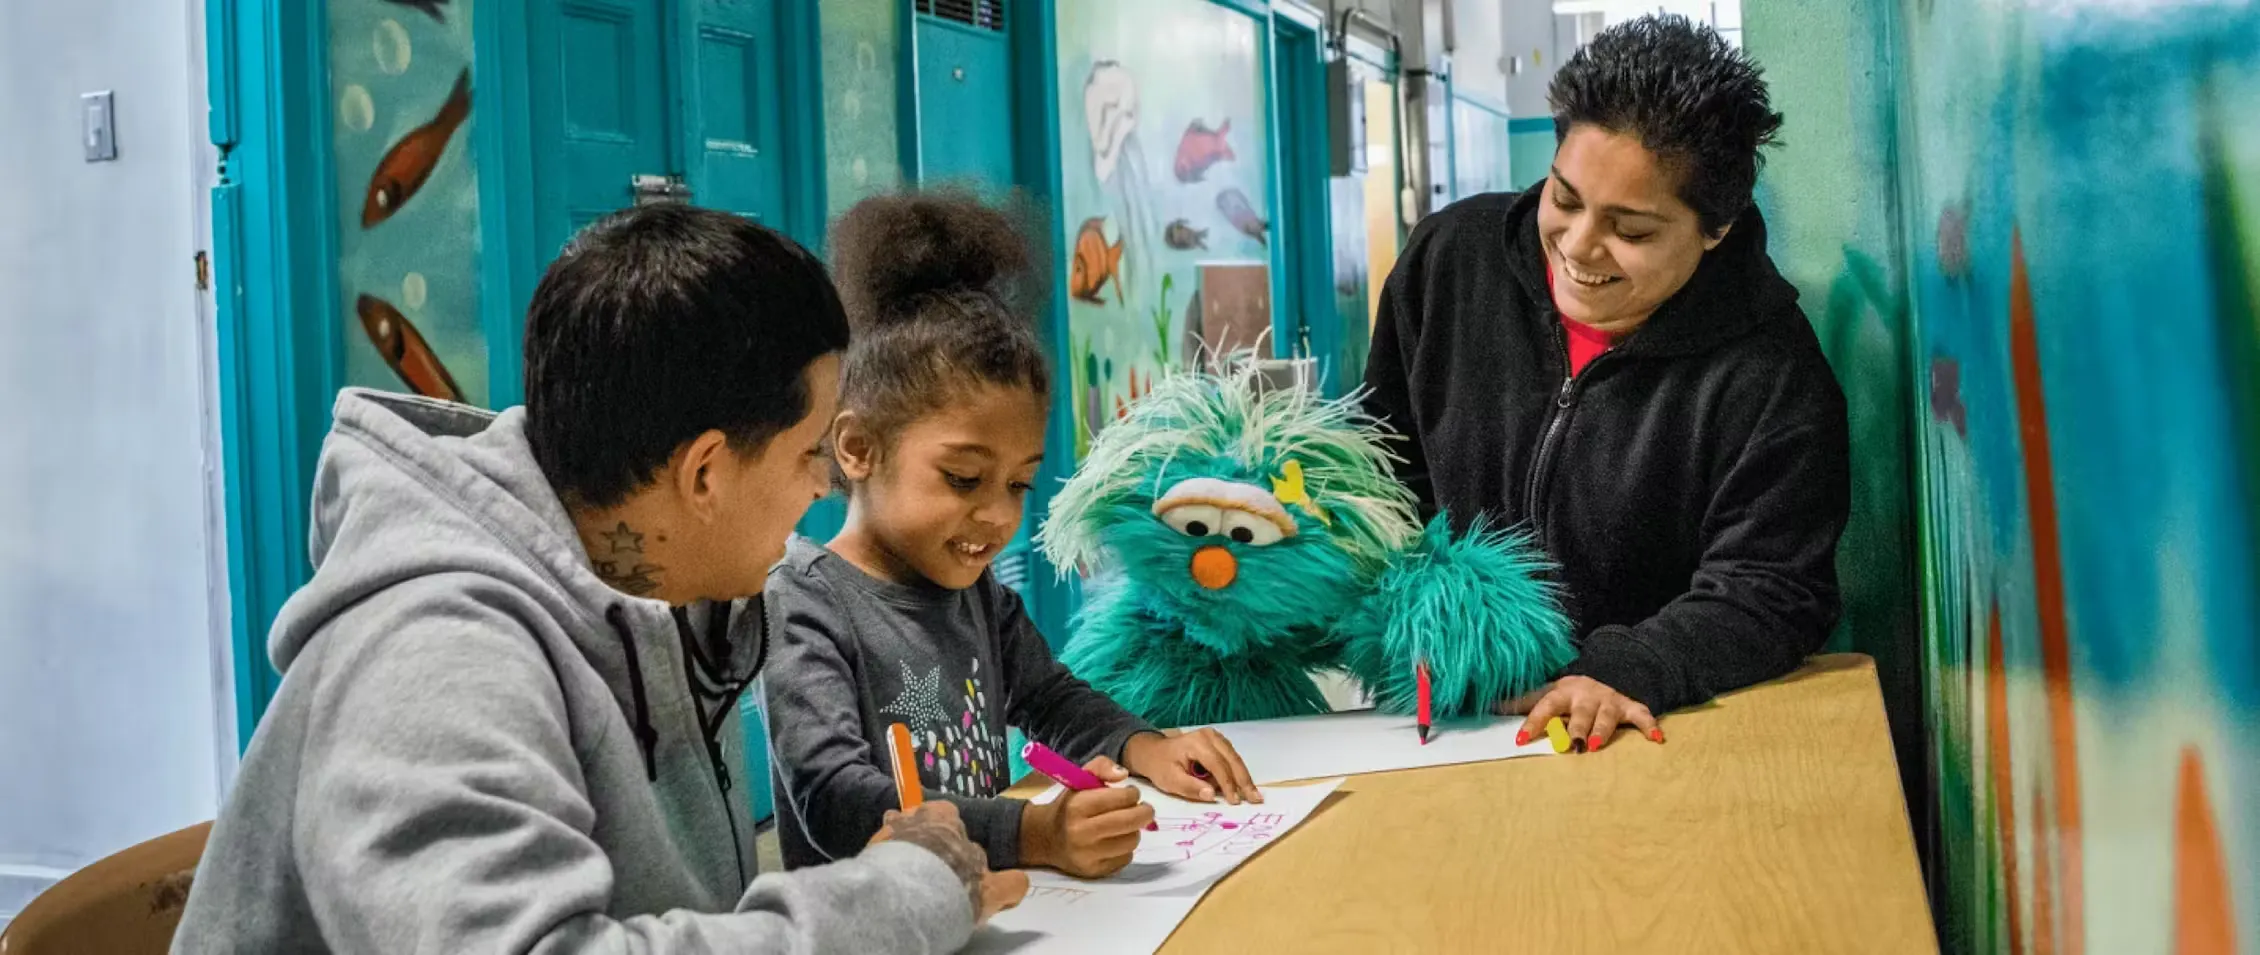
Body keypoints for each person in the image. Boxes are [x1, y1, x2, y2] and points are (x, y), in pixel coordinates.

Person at [173, 204, 1025, 953]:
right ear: (703, 474)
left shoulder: (671, 587)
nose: (820, 488)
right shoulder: (433, 653)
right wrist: (904, 897)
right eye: (809, 455)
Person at [1361, 15, 1850, 752]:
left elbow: (1771, 589)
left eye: (1633, 230)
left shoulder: (1772, 374)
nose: (1579, 246)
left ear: (1715, 229)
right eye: (1565, 197)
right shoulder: (1447, 264)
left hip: (1636, 729)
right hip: (1447, 723)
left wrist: (1627, 666)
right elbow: (1382, 473)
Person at [763, 191, 1261, 879]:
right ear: (856, 447)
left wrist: (1144, 744)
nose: (999, 516)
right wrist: (1029, 832)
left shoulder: (973, 590)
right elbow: (836, 804)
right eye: (965, 478)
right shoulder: (804, 603)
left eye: (1018, 484)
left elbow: (1048, 696)